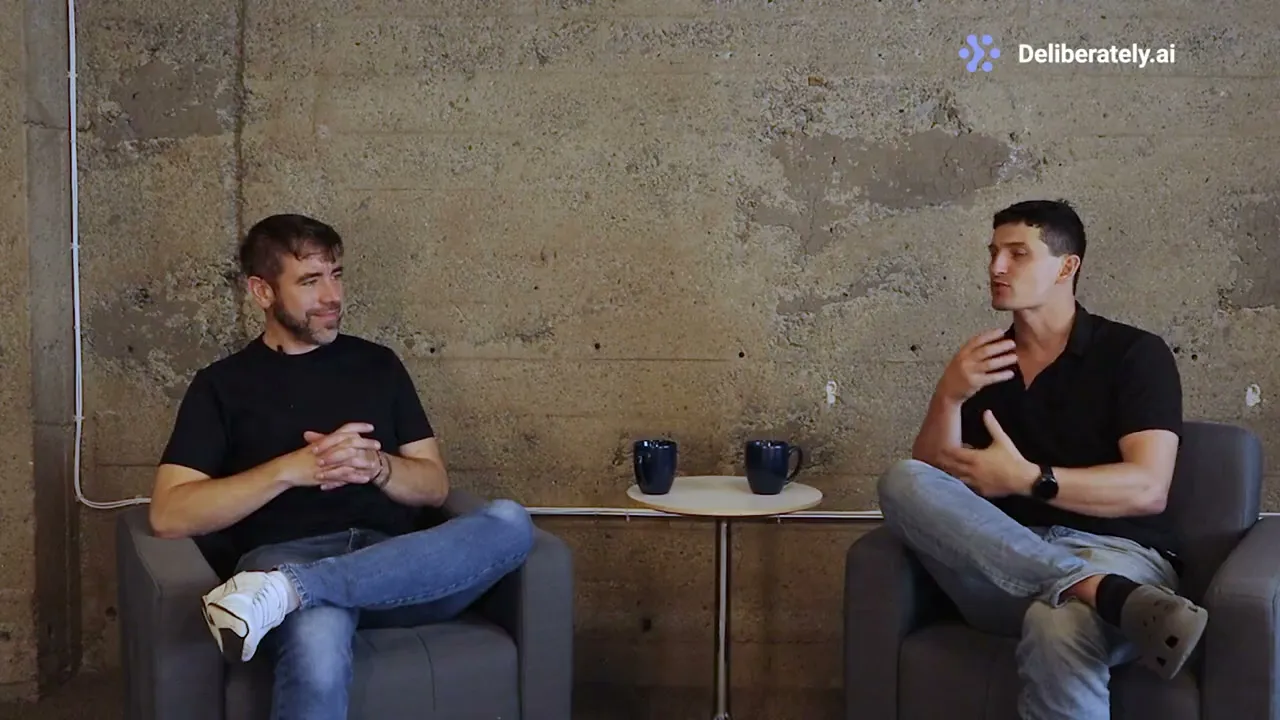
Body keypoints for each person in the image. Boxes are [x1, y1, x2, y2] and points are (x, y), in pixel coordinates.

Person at [147, 213, 535, 720]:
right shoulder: (221, 387)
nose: (332, 295)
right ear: (262, 291)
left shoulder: (379, 366)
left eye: (336, 275)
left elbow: (435, 486)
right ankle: (298, 589)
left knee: (509, 520)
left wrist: (379, 467)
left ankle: (288, 591)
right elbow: (169, 514)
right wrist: (291, 469)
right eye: (310, 281)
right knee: (318, 645)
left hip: (400, 568)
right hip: (285, 553)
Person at [875, 199, 1205, 719]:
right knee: (900, 479)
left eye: (1017, 253)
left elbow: (1148, 488)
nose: (996, 267)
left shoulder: (1133, 354)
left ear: (1066, 266)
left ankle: (1088, 586)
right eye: (992, 253)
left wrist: (1030, 479)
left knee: (1060, 621)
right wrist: (949, 396)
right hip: (998, 566)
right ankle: (1089, 587)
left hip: (1117, 554)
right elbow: (934, 483)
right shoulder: (985, 362)